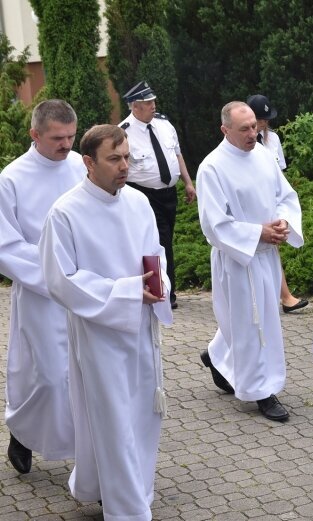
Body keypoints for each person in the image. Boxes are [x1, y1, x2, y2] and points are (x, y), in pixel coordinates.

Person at [39, 124, 173, 521]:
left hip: (142, 327)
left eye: (127, 157)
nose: (124, 166)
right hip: (99, 335)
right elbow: (62, 280)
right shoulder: (65, 212)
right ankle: (129, 510)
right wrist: (130, 292)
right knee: (114, 421)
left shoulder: (138, 203)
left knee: (141, 418)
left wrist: (158, 281)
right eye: (114, 159)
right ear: (88, 162)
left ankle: (112, 487)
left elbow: (156, 254)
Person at [197, 101, 303, 422]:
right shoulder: (212, 167)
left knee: (257, 319)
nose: (251, 133)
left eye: (254, 127)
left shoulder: (263, 156)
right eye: (243, 129)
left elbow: (285, 196)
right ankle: (261, 392)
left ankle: (217, 355)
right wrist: (258, 233)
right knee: (251, 325)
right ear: (224, 130)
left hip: (266, 256)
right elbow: (214, 224)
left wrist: (283, 221)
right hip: (238, 259)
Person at [0, 99, 82, 474]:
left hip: (86, 290)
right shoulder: (12, 179)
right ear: (34, 135)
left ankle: (92, 460)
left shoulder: (82, 165)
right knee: (49, 377)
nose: (66, 145)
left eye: (70, 136)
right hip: (41, 292)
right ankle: (22, 430)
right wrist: (55, 273)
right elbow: (7, 245)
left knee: (84, 376)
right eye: (57, 138)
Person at [120, 80, 196, 310]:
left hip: (168, 195)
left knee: (166, 240)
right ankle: (165, 292)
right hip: (143, 194)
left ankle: (159, 286)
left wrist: (188, 183)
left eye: (153, 101)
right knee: (159, 241)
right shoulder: (123, 132)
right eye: (147, 102)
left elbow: (177, 155)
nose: (153, 105)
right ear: (134, 107)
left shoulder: (164, 125)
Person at [246, 93, 308, 313]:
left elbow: (279, 173)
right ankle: (284, 296)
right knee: (267, 247)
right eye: (259, 120)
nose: (263, 124)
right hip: (253, 201)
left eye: (265, 120)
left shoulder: (273, 139)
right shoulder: (239, 143)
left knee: (272, 248)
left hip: (273, 199)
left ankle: (280, 295)